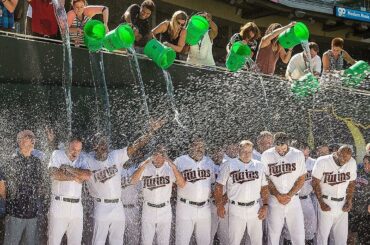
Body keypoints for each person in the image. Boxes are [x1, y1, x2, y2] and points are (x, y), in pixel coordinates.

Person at [86, 118, 165, 245]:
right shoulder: (87, 160)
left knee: (118, 241)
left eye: (105, 143)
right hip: (101, 205)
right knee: (98, 241)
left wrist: (150, 132)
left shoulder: (115, 156)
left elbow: (135, 145)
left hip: (118, 205)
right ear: (94, 146)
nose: (104, 146)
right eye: (100, 143)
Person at [215, 140, 269, 245]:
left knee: (257, 241)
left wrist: (265, 205)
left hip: (255, 208)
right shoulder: (229, 165)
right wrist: (219, 205)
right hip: (236, 208)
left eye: (249, 152)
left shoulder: (259, 166)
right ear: (239, 151)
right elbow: (219, 186)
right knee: (234, 241)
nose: (246, 154)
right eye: (244, 151)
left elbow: (264, 188)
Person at [131, 145, 186, 245]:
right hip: (148, 208)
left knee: (163, 241)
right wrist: (144, 164)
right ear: (152, 155)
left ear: (165, 156)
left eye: (161, 155)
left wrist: (173, 166)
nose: (158, 157)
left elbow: (182, 184)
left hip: (165, 209)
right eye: (156, 154)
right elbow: (133, 181)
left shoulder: (169, 168)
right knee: (146, 241)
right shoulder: (145, 166)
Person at [261, 132, 306, 245]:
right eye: (278, 148)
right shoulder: (266, 155)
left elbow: (302, 177)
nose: (281, 151)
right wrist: (278, 195)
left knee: (299, 235)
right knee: (273, 235)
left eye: (283, 148)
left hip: (293, 200)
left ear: (288, 144)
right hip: (274, 200)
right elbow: (266, 178)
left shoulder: (298, 154)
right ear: (274, 144)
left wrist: (289, 195)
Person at [48, 136, 92, 245]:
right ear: (67, 146)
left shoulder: (82, 158)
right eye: (73, 149)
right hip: (59, 204)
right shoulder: (57, 154)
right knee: (54, 241)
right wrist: (74, 177)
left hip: (77, 207)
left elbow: (87, 175)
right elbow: (53, 174)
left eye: (78, 150)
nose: (75, 152)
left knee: (76, 242)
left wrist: (67, 169)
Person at [3, 130, 43, 245]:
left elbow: (40, 185)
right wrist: (11, 202)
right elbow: (2, 187)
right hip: (15, 213)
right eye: (28, 137)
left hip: (33, 214)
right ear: (20, 142)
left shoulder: (37, 162)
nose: (32, 140)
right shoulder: (11, 161)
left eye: (33, 137)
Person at [312, 145, 356, 245]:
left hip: (342, 203)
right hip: (326, 202)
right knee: (322, 237)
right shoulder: (322, 161)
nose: (345, 161)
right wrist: (321, 202)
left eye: (347, 158)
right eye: (343, 157)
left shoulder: (351, 162)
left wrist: (349, 200)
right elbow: (314, 182)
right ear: (337, 153)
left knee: (341, 238)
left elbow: (352, 182)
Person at [174, 137, 215, 245]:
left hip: (205, 207)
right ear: (190, 147)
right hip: (185, 206)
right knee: (182, 241)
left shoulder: (208, 161)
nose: (200, 149)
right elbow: (172, 183)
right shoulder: (180, 161)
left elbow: (212, 183)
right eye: (197, 146)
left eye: (202, 146)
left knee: (205, 241)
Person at [282, 142, 317, 244]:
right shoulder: (288, 162)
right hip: (292, 198)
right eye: (303, 155)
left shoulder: (313, 162)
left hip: (306, 198)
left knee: (310, 226)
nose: (306, 157)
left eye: (307, 154)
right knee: (289, 226)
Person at [349, 154, 369, 245]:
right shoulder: (359, 171)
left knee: (365, 233)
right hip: (355, 205)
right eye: (364, 163)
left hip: (366, 207)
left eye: (367, 163)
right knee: (352, 231)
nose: (365, 165)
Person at [209, 146, 228, 245]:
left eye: (219, 151)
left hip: (225, 204)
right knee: (209, 236)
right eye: (214, 151)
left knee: (226, 237)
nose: (217, 154)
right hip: (211, 204)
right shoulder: (207, 164)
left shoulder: (228, 163)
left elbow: (234, 184)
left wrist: (226, 196)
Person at [121, 157, 142, 245]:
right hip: (119, 208)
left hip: (133, 208)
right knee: (117, 236)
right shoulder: (117, 170)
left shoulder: (136, 170)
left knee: (133, 236)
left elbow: (141, 191)